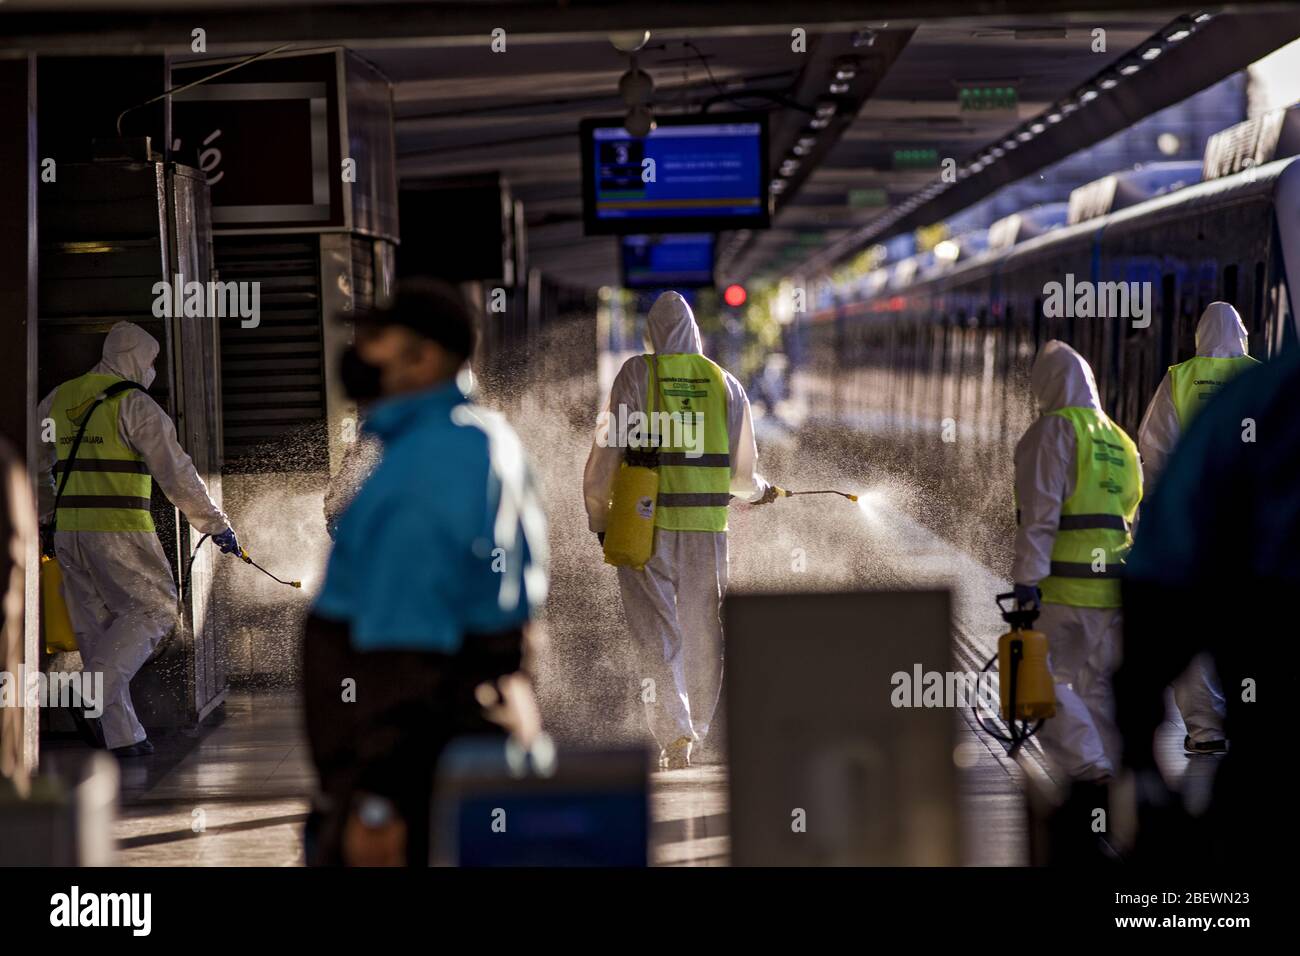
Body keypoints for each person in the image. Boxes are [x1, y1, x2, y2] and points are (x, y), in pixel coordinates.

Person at [303, 279, 548, 866]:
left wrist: (379, 802)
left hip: (416, 772)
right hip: (461, 738)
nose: (361, 353)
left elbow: (405, 656)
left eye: (379, 339)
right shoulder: (478, 436)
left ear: (426, 356)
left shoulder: (426, 466)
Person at [1116, 343, 1296, 864]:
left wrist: (1138, 734)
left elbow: (1167, 493)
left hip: (1258, 612)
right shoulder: (1257, 378)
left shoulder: (1244, 393)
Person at [583, 291, 776, 770]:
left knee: (658, 634)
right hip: (708, 530)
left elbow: (607, 451)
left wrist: (599, 517)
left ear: (652, 334)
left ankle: (675, 735)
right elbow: (740, 476)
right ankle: (699, 728)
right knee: (702, 632)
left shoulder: (636, 373)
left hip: (644, 523)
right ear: (696, 334)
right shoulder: (725, 383)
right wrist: (763, 491)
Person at [36, 322, 238, 758]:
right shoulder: (134, 405)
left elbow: (37, 466)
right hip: (119, 529)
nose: (150, 370)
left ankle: (124, 735)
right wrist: (215, 524)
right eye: (149, 361)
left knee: (97, 631)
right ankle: (92, 692)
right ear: (134, 358)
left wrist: (48, 515)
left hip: (69, 533)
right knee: (156, 609)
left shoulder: (58, 399)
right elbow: (177, 474)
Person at [1011, 340, 1141, 783]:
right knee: (1098, 685)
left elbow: (1040, 514)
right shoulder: (1120, 438)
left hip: (1064, 588)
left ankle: (1088, 767)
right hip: (1114, 587)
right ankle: (1112, 773)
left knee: (1040, 680)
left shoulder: (1053, 431)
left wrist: (1026, 579)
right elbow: (1132, 513)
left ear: (1048, 384)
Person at [1136, 302, 1258, 757]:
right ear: (1243, 335)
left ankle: (1206, 731)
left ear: (1200, 335)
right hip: (1250, 530)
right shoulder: (1259, 378)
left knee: (1192, 626)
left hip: (1194, 529)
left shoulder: (1181, 378)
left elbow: (1153, 452)